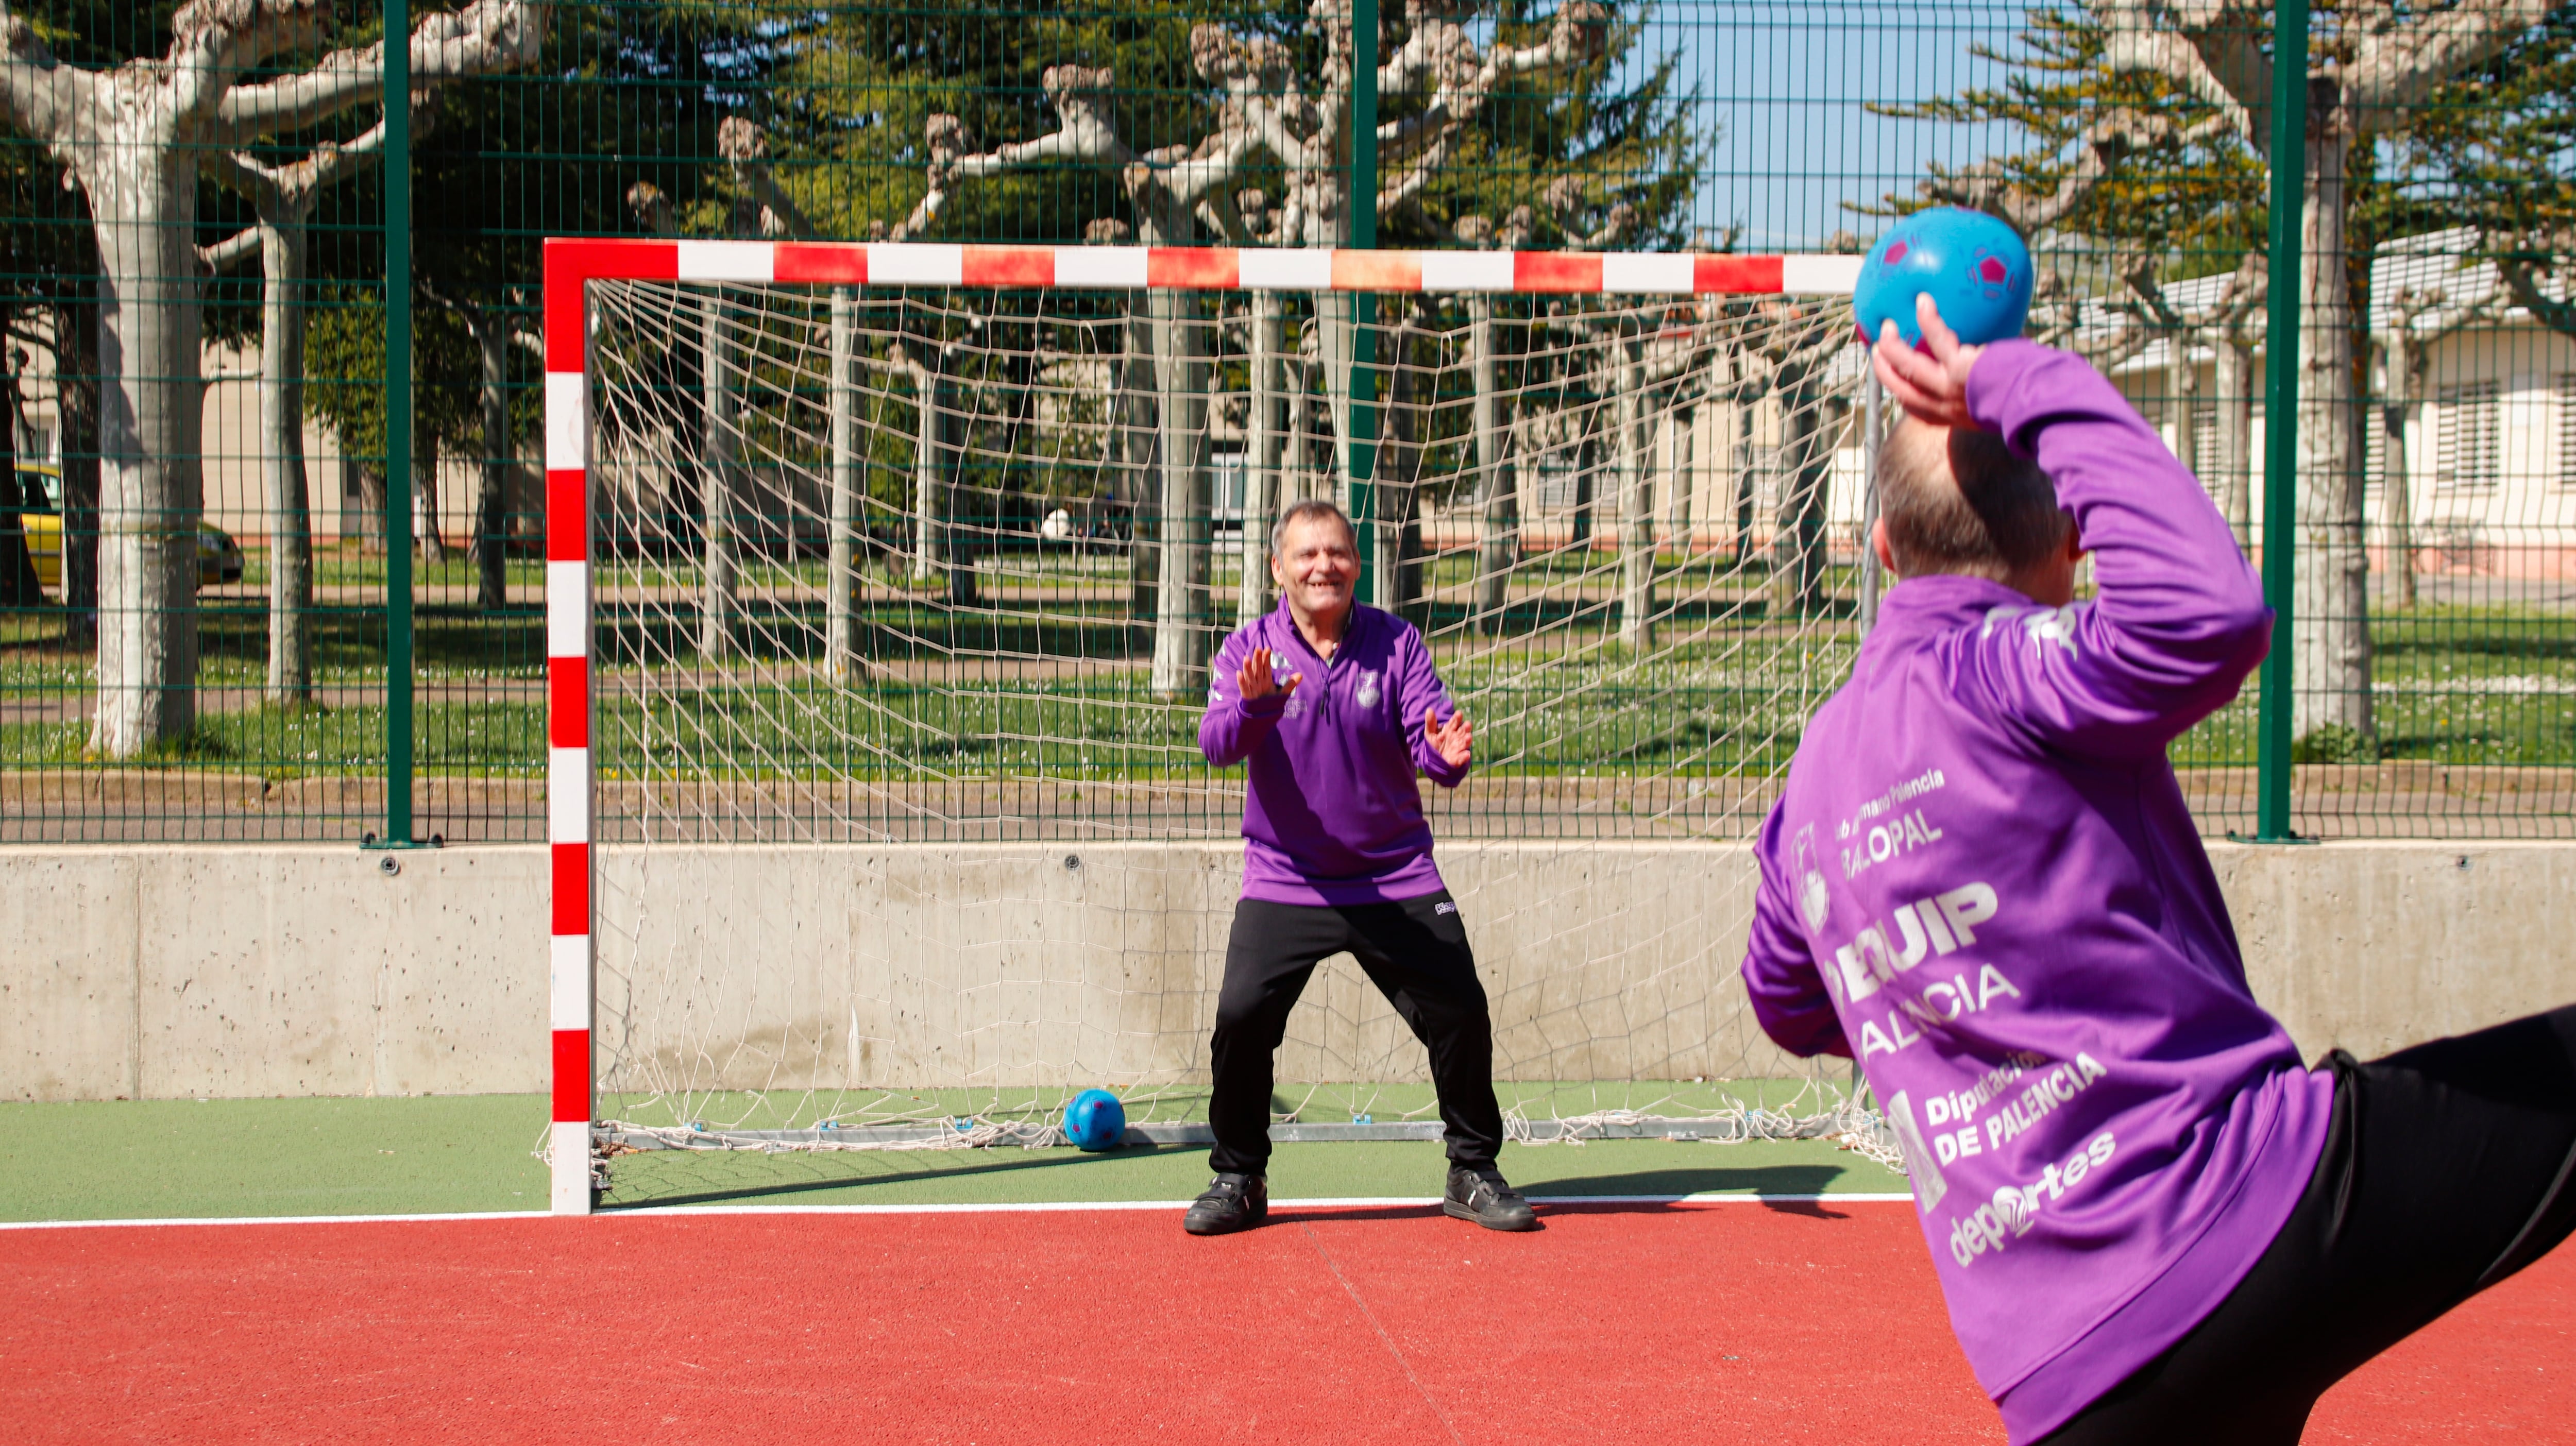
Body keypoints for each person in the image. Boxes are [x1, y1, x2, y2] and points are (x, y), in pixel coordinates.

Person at [1741, 295, 2576, 1444]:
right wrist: (2019, 381)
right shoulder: (2012, 674)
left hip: (2062, 1367)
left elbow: (1785, 999)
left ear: (1876, 548)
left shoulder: (1810, 788)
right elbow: (2210, 614)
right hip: (2236, 1216)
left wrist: (1945, 991)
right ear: (2076, 542)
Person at [1187, 497, 1536, 1236]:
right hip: (1288, 878)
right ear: (1278, 568)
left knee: (1461, 1012)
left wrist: (1443, 758)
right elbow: (1215, 743)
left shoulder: (1398, 643)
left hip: (1394, 876)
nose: (1325, 566)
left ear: (1357, 565)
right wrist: (1254, 709)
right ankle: (1238, 1176)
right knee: (1240, 1018)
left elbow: (1430, 730)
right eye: (1307, 555)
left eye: (1338, 553)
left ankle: (1472, 1169)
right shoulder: (1248, 648)